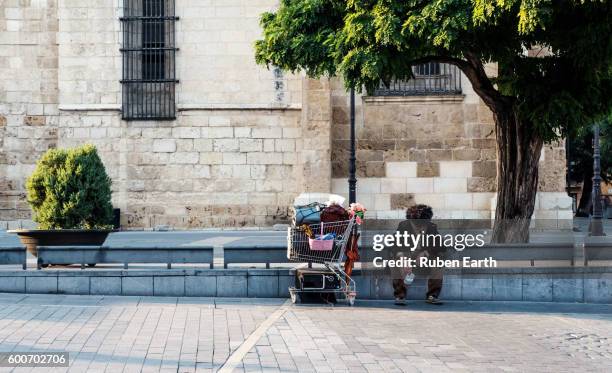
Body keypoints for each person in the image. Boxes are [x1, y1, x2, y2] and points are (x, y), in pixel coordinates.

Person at [392, 204, 445, 305]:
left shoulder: (431, 227)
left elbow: (441, 246)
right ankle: (400, 296)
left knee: (439, 262)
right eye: (417, 225)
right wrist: (403, 257)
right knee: (395, 263)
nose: (420, 227)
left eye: (423, 225)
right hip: (407, 256)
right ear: (411, 221)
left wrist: (426, 253)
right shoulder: (403, 226)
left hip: (424, 259)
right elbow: (394, 245)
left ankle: (432, 295)